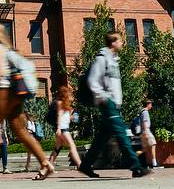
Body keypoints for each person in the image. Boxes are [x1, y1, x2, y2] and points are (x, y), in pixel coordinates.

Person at [0, 24, 54, 182]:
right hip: (16, 94)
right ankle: (45, 163)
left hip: (3, 92)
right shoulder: (9, 50)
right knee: (21, 131)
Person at [78, 32, 150, 179]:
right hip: (108, 103)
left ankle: (86, 165)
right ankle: (136, 167)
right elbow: (92, 80)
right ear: (113, 43)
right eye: (120, 41)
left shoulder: (113, 60)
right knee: (122, 134)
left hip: (113, 104)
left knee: (101, 138)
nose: (122, 43)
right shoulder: (102, 59)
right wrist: (104, 98)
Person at [48, 85, 82, 169]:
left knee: (57, 149)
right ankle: (80, 165)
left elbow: (65, 117)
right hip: (63, 129)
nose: (71, 95)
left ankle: (48, 166)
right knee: (72, 146)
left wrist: (71, 118)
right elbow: (59, 115)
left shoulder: (67, 106)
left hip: (63, 128)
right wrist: (58, 128)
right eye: (69, 94)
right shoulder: (60, 103)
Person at [137, 99, 160, 169]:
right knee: (153, 144)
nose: (151, 105)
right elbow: (144, 123)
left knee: (144, 149)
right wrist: (146, 133)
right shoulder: (145, 112)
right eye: (150, 104)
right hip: (146, 131)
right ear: (148, 104)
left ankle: (132, 157)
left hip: (142, 132)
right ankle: (154, 163)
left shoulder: (141, 112)